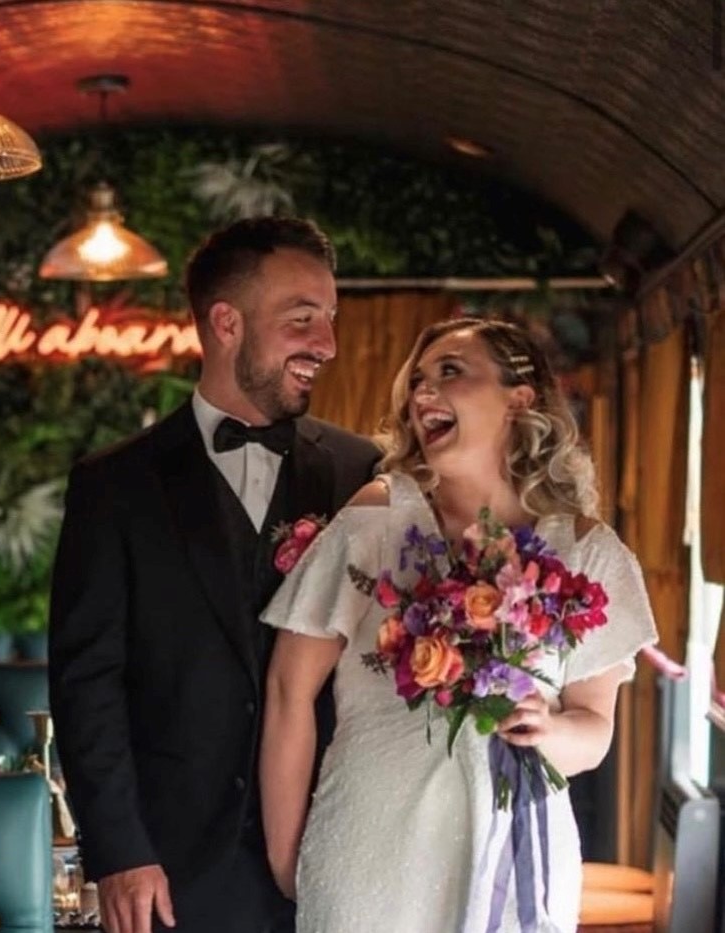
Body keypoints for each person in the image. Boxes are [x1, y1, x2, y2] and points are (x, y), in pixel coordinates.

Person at [259, 318, 659, 932]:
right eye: (417, 380)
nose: (422, 393)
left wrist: (546, 731)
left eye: (450, 372)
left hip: (516, 855)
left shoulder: (588, 552)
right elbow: (289, 691)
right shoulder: (376, 518)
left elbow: (595, 730)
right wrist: (288, 860)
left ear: (519, 400)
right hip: (366, 853)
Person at [49, 217, 380, 933]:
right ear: (226, 322)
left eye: (330, 319)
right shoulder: (114, 487)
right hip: (170, 871)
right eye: (302, 319)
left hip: (338, 853)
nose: (326, 343)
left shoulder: (364, 477)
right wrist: (120, 851)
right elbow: (87, 683)